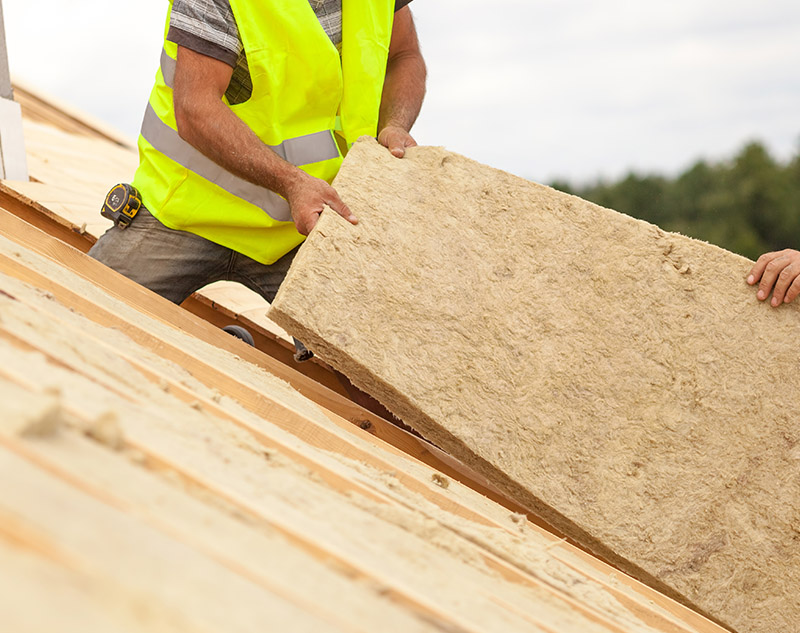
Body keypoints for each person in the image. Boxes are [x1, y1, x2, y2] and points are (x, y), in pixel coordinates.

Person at [89, 0, 426, 357]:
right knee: (82, 324)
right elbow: (196, 108)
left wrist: (394, 124)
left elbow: (403, 56)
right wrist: (292, 183)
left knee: (375, 377)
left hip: (309, 226)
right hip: (187, 214)